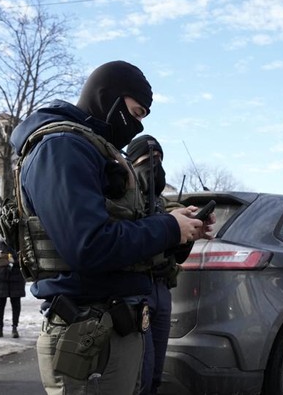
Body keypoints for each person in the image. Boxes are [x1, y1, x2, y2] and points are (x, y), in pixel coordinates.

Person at [9, 60, 214, 394]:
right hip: (89, 331)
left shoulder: (91, 148)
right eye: (135, 112)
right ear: (109, 98)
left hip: (113, 326)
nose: (135, 126)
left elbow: (121, 231)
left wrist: (181, 226)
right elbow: (89, 245)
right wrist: (168, 228)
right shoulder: (61, 147)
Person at [127, 135, 191, 395]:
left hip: (162, 289)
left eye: (159, 160)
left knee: (155, 374)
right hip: (135, 293)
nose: (155, 167)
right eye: (147, 160)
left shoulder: (165, 206)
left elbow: (177, 256)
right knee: (140, 372)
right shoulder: (122, 200)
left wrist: (188, 233)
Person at [0, 239, 26, 338]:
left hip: (16, 278)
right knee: (0, 304)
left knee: (16, 304)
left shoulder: (21, 242)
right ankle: (0, 328)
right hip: (1, 278)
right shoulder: (0, 243)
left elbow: (26, 259)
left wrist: (13, 259)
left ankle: (15, 328)